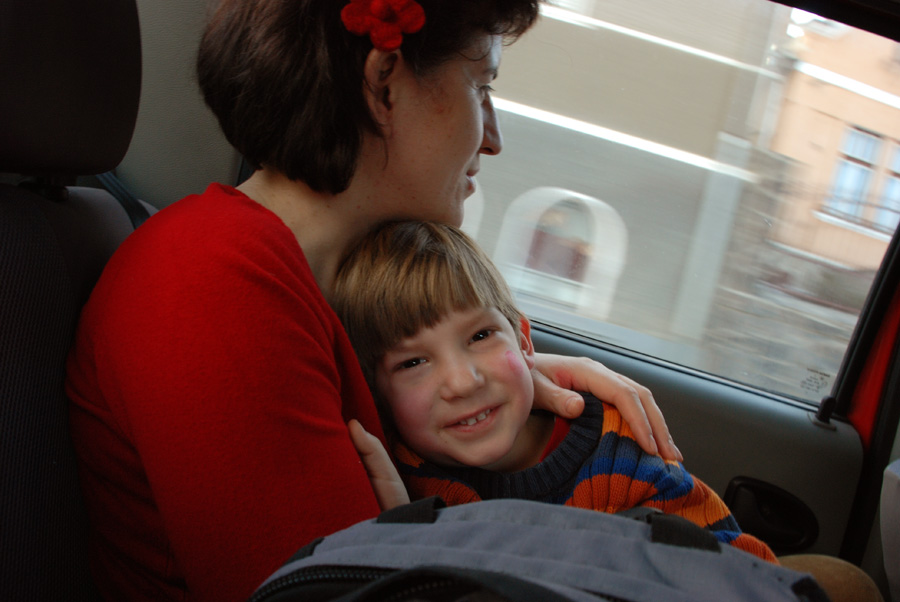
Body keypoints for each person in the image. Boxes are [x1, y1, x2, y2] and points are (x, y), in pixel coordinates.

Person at [64, 2, 681, 601]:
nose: (493, 139)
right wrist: (414, 551)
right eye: (480, 89)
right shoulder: (209, 282)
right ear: (384, 85)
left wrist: (510, 373)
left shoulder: (325, 288)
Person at [331, 220, 777, 562]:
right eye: (412, 363)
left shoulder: (620, 460)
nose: (464, 381)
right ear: (375, 393)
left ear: (525, 343)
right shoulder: (397, 475)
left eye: (481, 336)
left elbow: (741, 573)